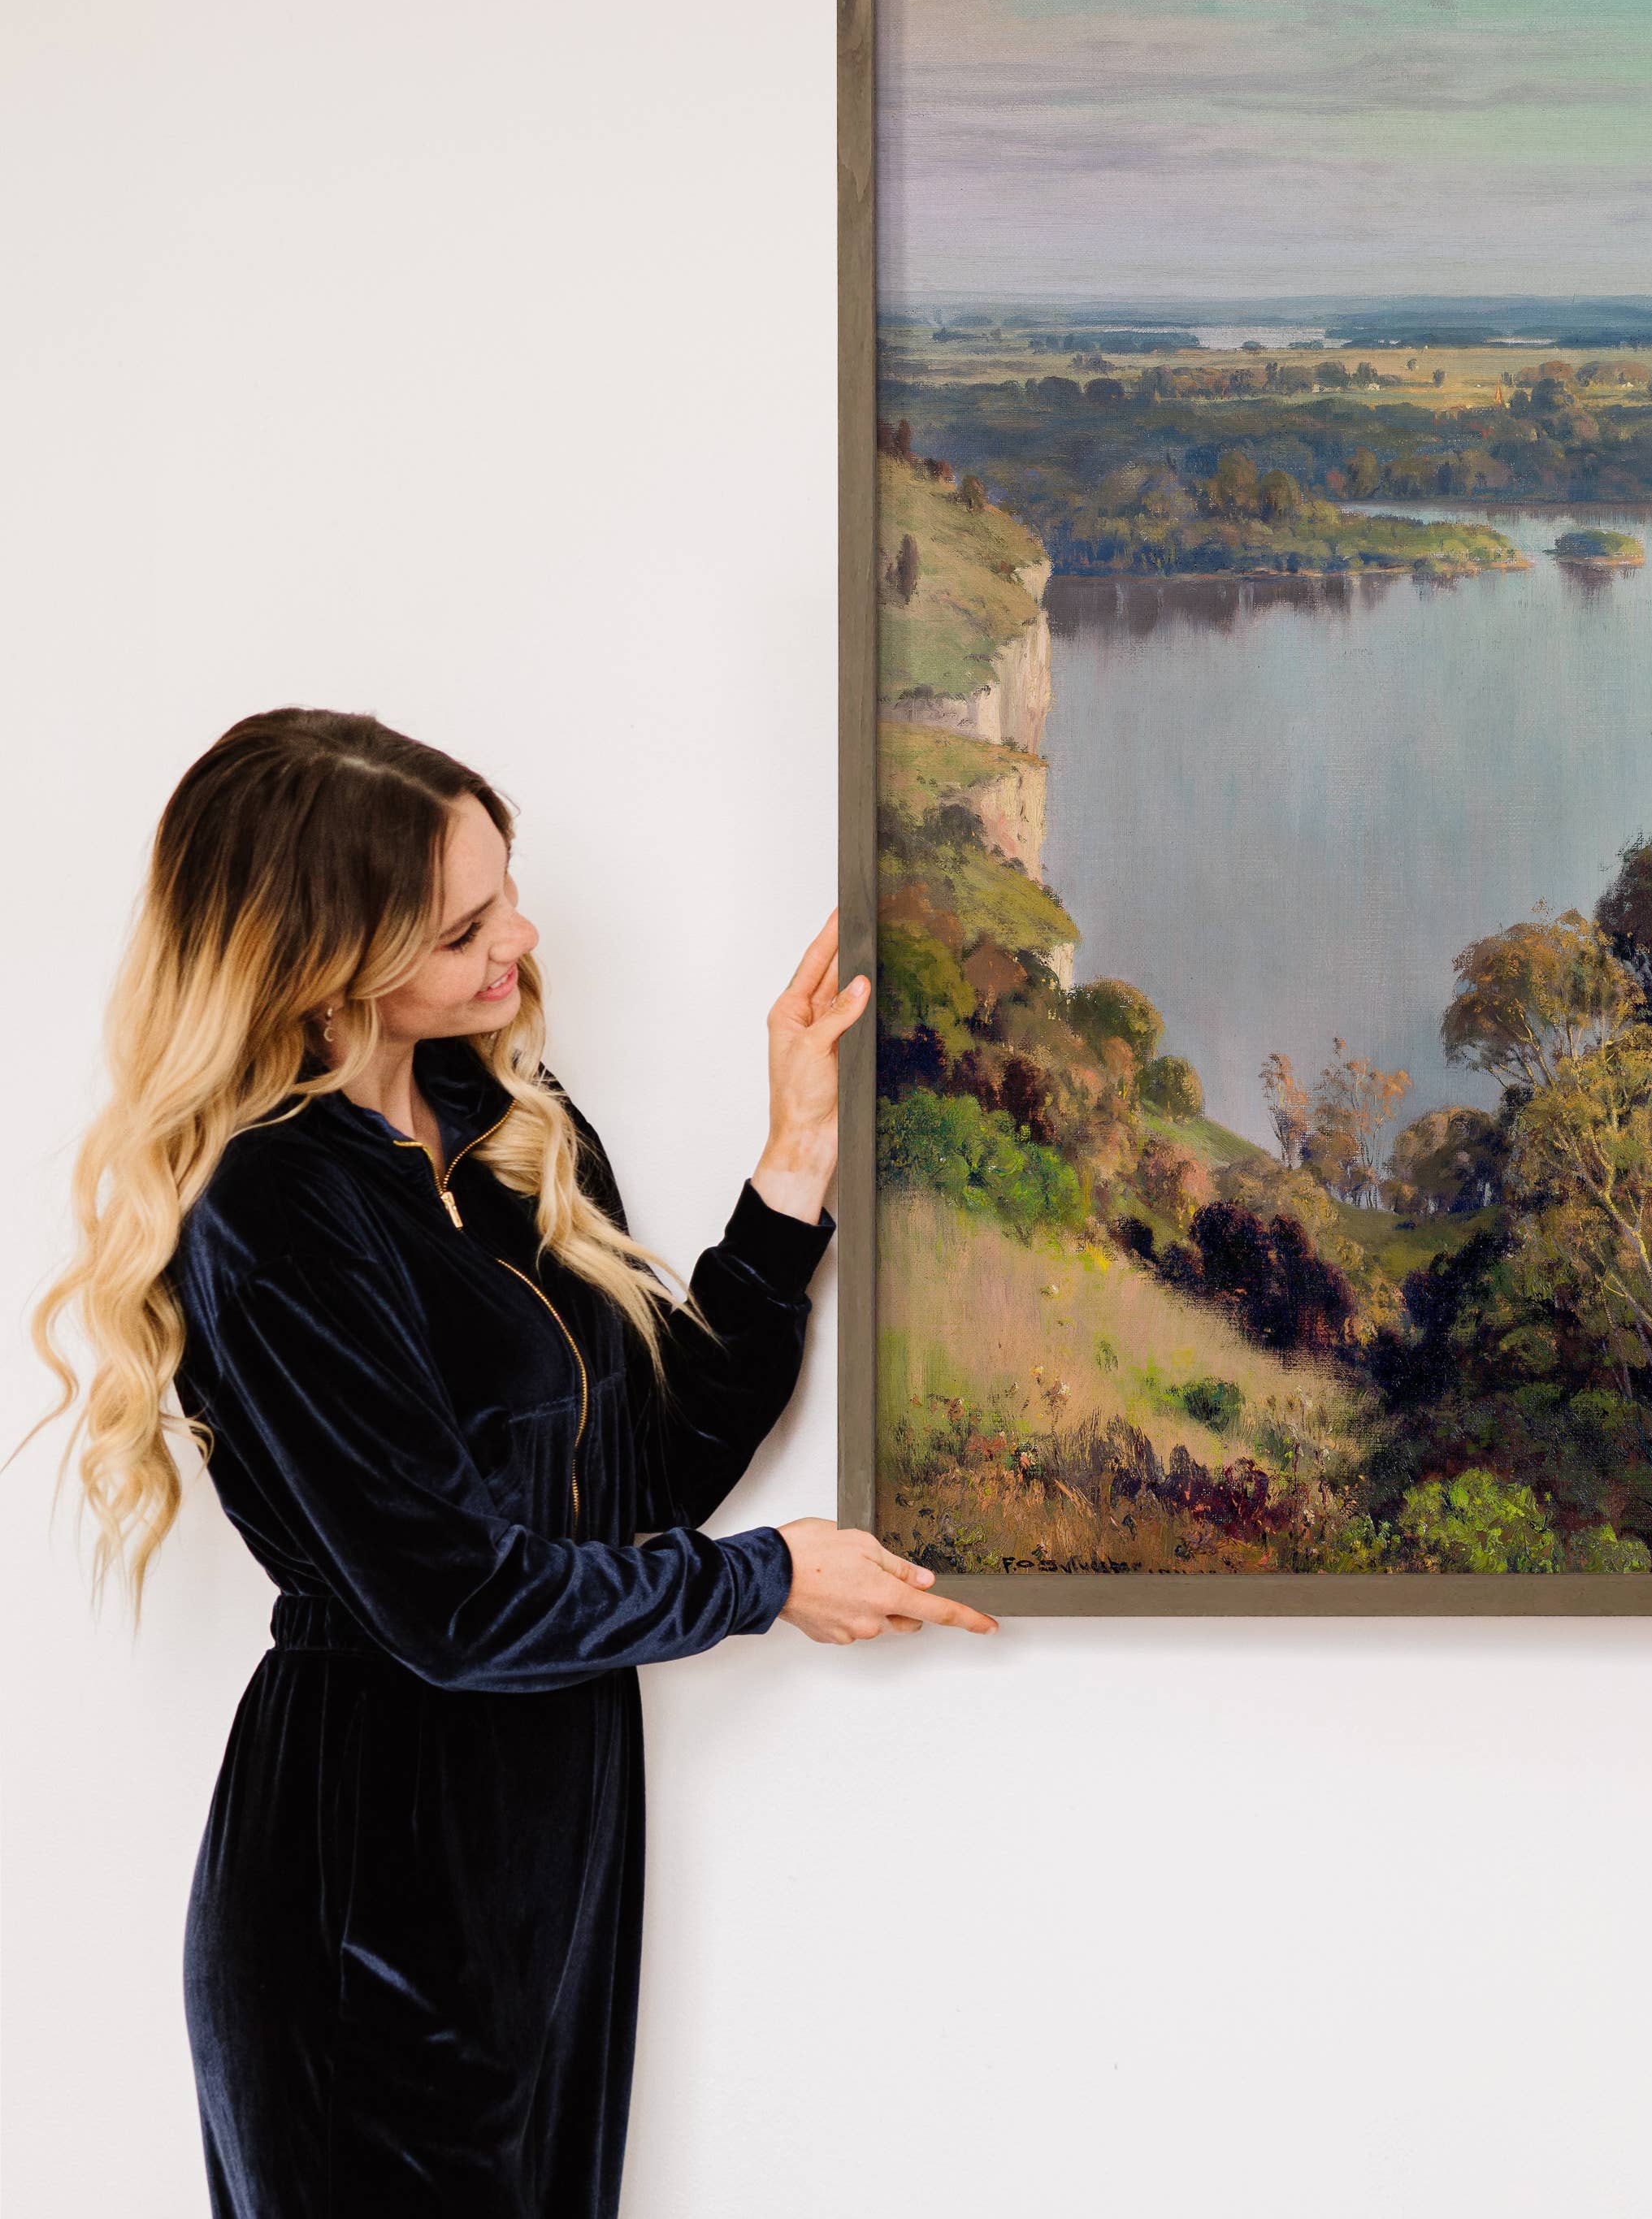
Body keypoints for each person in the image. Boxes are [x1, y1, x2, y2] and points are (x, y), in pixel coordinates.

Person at [29, 708, 996, 2218]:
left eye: (508, 889)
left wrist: (793, 1163)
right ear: (317, 962)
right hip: (372, 1883)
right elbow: (457, 1604)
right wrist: (766, 1584)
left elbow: (647, 1480)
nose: (521, 941)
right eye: (465, 926)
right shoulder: (267, 1211)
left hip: (547, 1853)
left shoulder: (504, 1125)